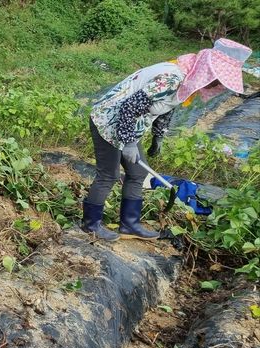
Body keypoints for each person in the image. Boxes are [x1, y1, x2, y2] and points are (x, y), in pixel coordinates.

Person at [82, 38, 252, 242]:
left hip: (129, 126)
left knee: (137, 173)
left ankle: (129, 224)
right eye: (216, 79)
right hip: (109, 120)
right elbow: (130, 106)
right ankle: (91, 224)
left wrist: (158, 136)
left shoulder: (186, 77)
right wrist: (129, 142)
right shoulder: (171, 77)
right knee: (109, 175)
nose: (216, 84)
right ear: (207, 70)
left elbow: (166, 106)